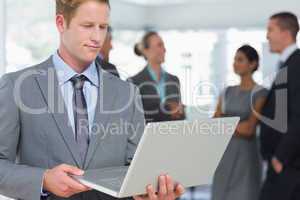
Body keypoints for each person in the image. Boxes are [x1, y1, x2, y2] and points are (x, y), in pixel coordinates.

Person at [0, 1, 185, 200]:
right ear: (61, 23)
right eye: (87, 26)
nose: (97, 37)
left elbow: (136, 169)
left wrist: (147, 191)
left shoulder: (127, 93)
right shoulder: (16, 86)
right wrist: (42, 179)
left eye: (103, 27)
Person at [211, 45, 268, 200]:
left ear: (253, 64)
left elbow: (249, 128)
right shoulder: (227, 91)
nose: (235, 63)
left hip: (246, 157)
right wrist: (233, 124)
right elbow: (213, 125)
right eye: (234, 59)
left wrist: (223, 121)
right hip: (223, 155)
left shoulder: (261, 93)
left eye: (240, 59)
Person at [259, 12, 300, 200]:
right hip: (283, 164)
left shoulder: (297, 65)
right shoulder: (287, 64)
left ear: (285, 33)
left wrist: (280, 158)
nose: (267, 36)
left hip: (288, 165)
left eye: (270, 30)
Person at [128, 31, 185, 123]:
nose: (164, 49)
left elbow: (179, 116)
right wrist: (167, 109)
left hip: (172, 134)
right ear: (146, 51)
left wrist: (181, 111)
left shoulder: (174, 80)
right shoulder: (134, 82)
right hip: (147, 136)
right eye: (159, 45)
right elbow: (135, 118)